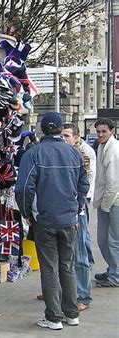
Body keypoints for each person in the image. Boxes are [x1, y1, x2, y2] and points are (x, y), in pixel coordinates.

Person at [15, 112, 89, 330]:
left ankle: (54, 317)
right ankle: (71, 313)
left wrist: (27, 212)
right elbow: (83, 184)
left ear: (41, 128)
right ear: (59, 129)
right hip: (68, 218)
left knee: (49, 268)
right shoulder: (73, 153)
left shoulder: (34, 153)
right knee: (67, 266)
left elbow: (24, 188)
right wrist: (77, 207)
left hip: (45, 219)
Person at [61, 123, 96, 310]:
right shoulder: (61, 154)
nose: (63, 139)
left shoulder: (83, 155)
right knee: (61, 254)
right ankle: (60, 291)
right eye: (61, 135)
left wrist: (79, 206)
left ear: (76, 137)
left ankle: (83, 295)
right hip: (61, 210)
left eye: (66, 136)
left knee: (79, 253)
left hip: (77, 210)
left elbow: (84, 185)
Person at [92, 118, 119, 287]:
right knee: (103, 239)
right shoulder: (103, 146)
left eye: (104, 131)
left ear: (112, 131)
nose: (100, 134)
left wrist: (106, 206)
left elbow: (113, 183)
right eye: (98, 131)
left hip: (114, 202)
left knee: (113, 240)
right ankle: (113, 269)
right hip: (106, 200)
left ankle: (115, 275)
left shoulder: (113, 150)